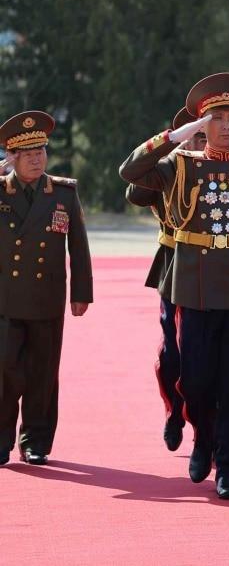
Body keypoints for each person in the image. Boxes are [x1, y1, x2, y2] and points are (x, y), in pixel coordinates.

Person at [119, 72, 229, 500]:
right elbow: (130, 171)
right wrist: (177, 134)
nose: (227, 126)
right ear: (203, 124)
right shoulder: (180, 164)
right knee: (195, 381)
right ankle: (202, 440)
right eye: (217, 118)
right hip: (195, 288)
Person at [0, 111, 92, 466]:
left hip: (46, 299)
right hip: (6, 298)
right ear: (12, 157)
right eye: (28, 153)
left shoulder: (63, 193)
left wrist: (81, 292)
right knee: (5, 372)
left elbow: (79, 247)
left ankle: (35, 441)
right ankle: (2, 439)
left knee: (42, 374)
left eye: (41, 151)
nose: (37, 158)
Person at [125, 106, 205, 452]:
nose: (201, 144)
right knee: (172, 354)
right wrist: (169, 152)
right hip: (173, 265)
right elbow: (134, 191)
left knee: (206, 355)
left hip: (214, 270)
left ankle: (207, 428)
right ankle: (174, 412)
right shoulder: (170, 170)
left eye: (206, 136)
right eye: (196, 136)